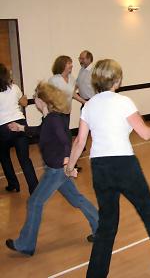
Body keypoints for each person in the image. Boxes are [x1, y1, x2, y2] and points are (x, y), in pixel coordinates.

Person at [64, 59, 150, 278]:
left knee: (107, 225)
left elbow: (79, 142)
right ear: (117, 80)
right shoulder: (124, 101)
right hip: (125, 165)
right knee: (149, 215)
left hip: (100, 167)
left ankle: (95, 275)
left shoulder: (88, 105)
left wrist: (70, 167)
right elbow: (145, 133)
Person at [5, 82, 98, 256]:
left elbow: (65, 141)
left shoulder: (54, 119)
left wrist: (66, 164)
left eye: (36, 97)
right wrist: (21, 128)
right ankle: (101, 228)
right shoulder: (50, 118)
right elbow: (41, 131)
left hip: (56, 170)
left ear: (43, 100)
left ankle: (26, 244)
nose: (35, 100)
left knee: (34, 202)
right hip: (56, 168)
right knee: (77, 199)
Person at [0, 63, 38, 194]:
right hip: (19, 123)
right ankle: (34, 187)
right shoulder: (14, 87)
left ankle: (13, 184)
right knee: (24, 158)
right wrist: (24, 96)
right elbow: (24, 103)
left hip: (2, 128)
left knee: (4, 157)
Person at [49, 55, 86, 124]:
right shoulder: (54, 80)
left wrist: (85, 102)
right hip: (56, 113)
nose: (71, 65)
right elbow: (48, 97)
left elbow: (72, 93)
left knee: (65, 133)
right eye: (69, 63)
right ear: (62, 65)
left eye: (71, 63)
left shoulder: (71, 78)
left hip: (67, 112)